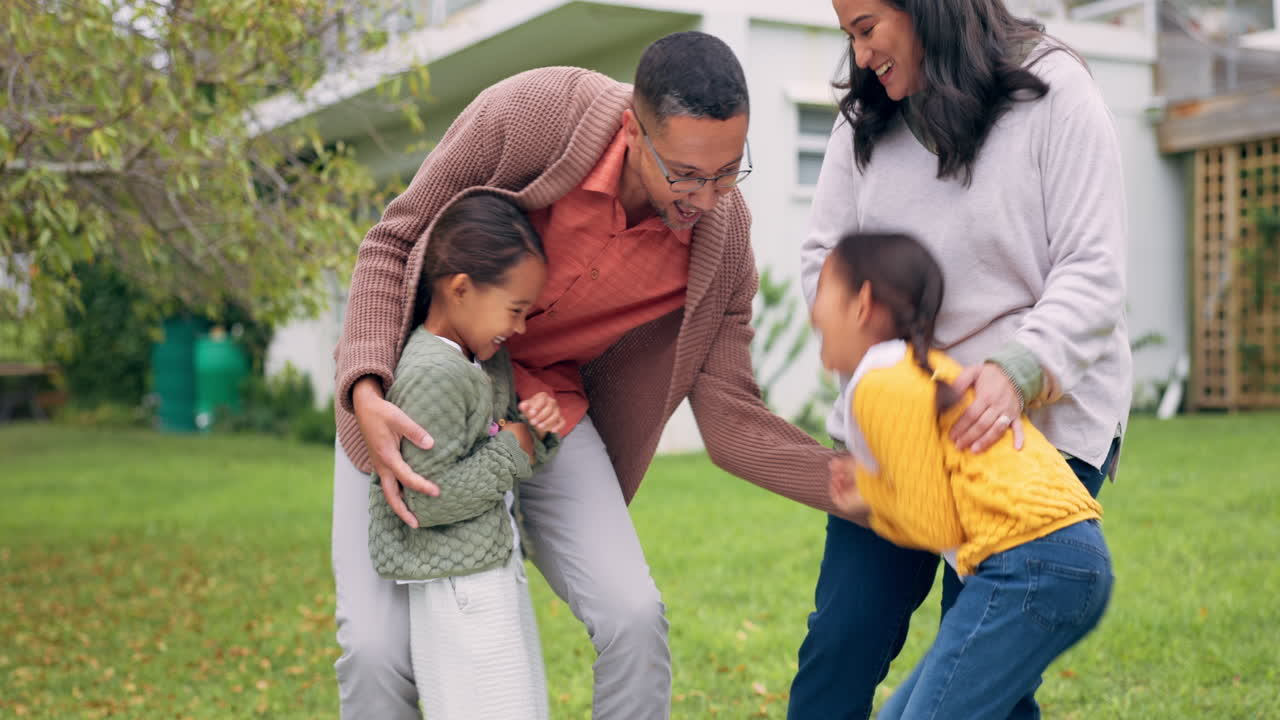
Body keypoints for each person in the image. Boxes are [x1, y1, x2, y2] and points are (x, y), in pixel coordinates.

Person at [331, 31, 840, 720]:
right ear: (633, 128)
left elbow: (729, 415)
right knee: (376, 654)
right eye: (686, 175)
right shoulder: (535, 114)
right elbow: (394, 239)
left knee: (635, 619)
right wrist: (364, 389)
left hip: (550, 414)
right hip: (421, 396)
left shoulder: (721, 240)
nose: (707, 199)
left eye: (728, 173)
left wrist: (853, 485)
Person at [791, 1, 1131, 717]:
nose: (859, 57)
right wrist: (890, 384)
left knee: (979, 666)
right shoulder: (867, 119)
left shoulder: (1054, 89)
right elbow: (825, 258)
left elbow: (1094, 270)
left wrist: (1017, 370)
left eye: (866, 27)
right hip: (902, 420)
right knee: (842, 638)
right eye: (848, 33)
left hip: (1023, 423)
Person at [811, 230, 1113, 719]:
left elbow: (934, 525)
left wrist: (867, 497)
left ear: (862, 303)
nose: (811, 310)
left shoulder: (881, 385)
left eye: (821, 290)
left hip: (1029, 564)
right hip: (1066, 555)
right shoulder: (925, 372)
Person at [366, 192, 563, 719]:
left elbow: (499, 440)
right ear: (460, 289)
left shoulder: (478, 358)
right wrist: (511, 448)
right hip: (460, 588)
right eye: (514, 310)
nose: (519, 328)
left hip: (487, 567)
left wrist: (533, 430)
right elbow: (425, 498)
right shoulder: (432, 372)